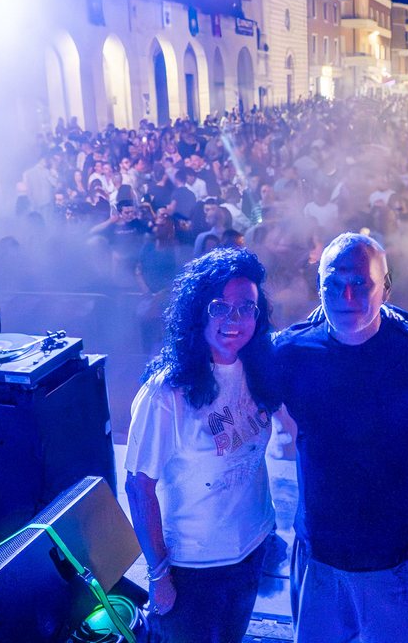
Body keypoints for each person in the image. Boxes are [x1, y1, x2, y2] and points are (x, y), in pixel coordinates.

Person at [270, 233, 408, 643]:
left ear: (385, 288)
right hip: (320, 562)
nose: (347, 295)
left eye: (360, 283)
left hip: (399, 562)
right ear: (319, 285)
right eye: (333, 284)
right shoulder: (291, 354)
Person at [124, 247, 277, 643]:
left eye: (246, 308)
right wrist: (159, 574)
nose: (234, 320)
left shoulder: (257, 368)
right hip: (193, 568)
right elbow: (138, 487)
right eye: (219, 307)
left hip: (252, 547)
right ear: (197, 312)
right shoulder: (166, 393)